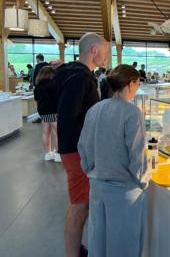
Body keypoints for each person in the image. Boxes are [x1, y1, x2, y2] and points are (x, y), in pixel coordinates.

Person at [78, 64, 149, 257]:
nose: (138, 87)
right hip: (124, 190)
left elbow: (82, 145)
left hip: (97, 186)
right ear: (131, 84)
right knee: (124, 246)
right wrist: (143, 181)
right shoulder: (132, 112)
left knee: (98, 241)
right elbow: (137, 154)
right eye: (138, 83)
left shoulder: (95, 109)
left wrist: (90, 170)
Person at [55, 32, 109, 257]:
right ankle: (72, 253)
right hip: (77, 151)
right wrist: (86, 149)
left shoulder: (75, 74)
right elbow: (69, 117)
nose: (106, 58)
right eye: (104, 53)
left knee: (82, 203)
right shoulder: (81, 78)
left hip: (75, 149)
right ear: (93, 50)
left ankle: (76, 249)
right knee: (80, 206)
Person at [33, 66, 61, 162]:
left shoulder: (38, 86)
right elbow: (58, 99)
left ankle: (47, 154)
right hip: (54, 111)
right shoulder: (54, 84)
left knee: (46, 133)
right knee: (58, 133)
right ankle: (57, 154)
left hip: (43, 112)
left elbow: (36, 100)